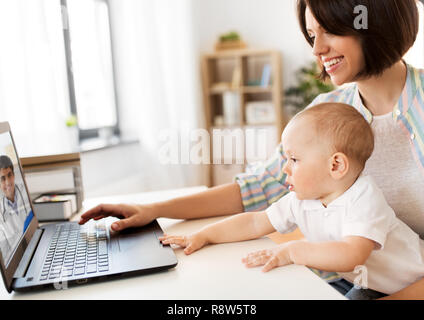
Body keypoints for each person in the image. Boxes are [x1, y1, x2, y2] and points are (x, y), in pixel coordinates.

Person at [79, 0, 424, 299]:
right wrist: (151, 210)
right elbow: (257, 188)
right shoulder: (329, 111)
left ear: (374, 20)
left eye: (330, 30)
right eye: (311, 35)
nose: (317, 49)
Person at [159, 103, 424, 300]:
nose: (286, 168)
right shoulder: (303, 199)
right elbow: (255, 221)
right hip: (369, 283)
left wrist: (293, 251)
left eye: (294, 159)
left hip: (412, 282)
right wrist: (205, 235)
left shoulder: (365, 198)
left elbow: (351, 255)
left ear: (336, 165)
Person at [0, 155, 32, 263]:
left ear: (13, 175)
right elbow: (5, 253)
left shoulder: (27, 193)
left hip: (35, 246)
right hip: (19, 261)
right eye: (2, 179)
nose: (8, 182)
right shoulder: (0, 212)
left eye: (9, 175)